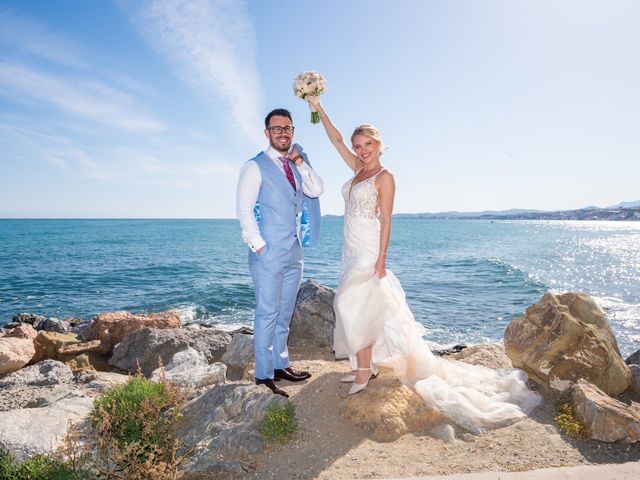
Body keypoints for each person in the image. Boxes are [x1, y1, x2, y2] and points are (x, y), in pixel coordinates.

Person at [308, 96, 541, 432]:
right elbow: (335, 139)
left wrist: (382, 259)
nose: (361, 150)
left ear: (378, 144)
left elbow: (386, 219)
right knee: (362, 306)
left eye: (367, 144)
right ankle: (366, 364)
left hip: (370, 247)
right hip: (350, 245)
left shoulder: (385, 177)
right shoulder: (358, 170)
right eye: (358, 145)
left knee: (350, 303)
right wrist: (318, 107)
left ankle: (363, 369)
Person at [236, 108, 324, 397]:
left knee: (284, 313)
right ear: (267, 133)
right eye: (277, 129)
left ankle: (279, 365)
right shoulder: (254, 166)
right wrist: (259, 245)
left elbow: (316, 188)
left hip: (294, 252)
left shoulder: (296, 166)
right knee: (267, 312)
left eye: (288, 128)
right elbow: (244, 209)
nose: (283, 133)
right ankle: (263, 375)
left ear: (292, 132)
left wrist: (299, 160)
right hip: (268, 253)